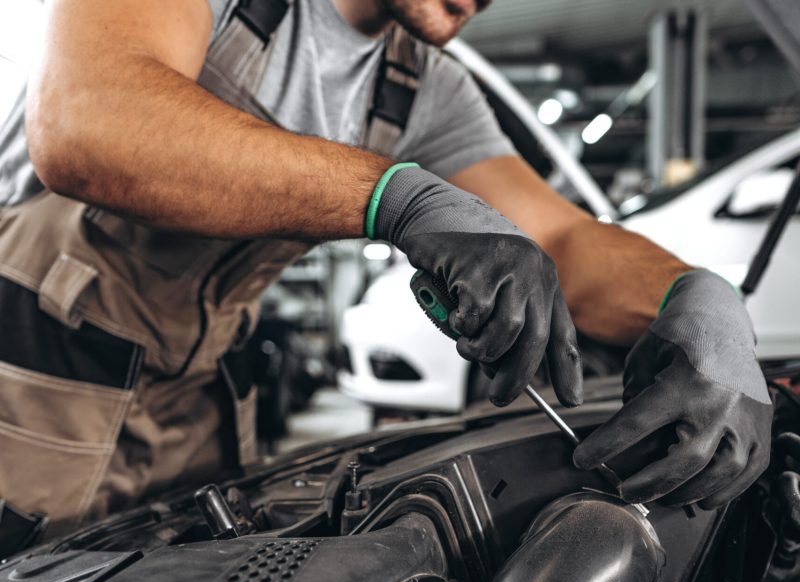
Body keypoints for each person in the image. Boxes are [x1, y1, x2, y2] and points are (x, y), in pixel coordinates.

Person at [0, 0, 772, 539]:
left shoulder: (427, 89)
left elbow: (562, 239)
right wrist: (392, 193)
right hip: (30, 379)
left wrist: (698, 297)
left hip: (195, 404)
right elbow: (87, 119)